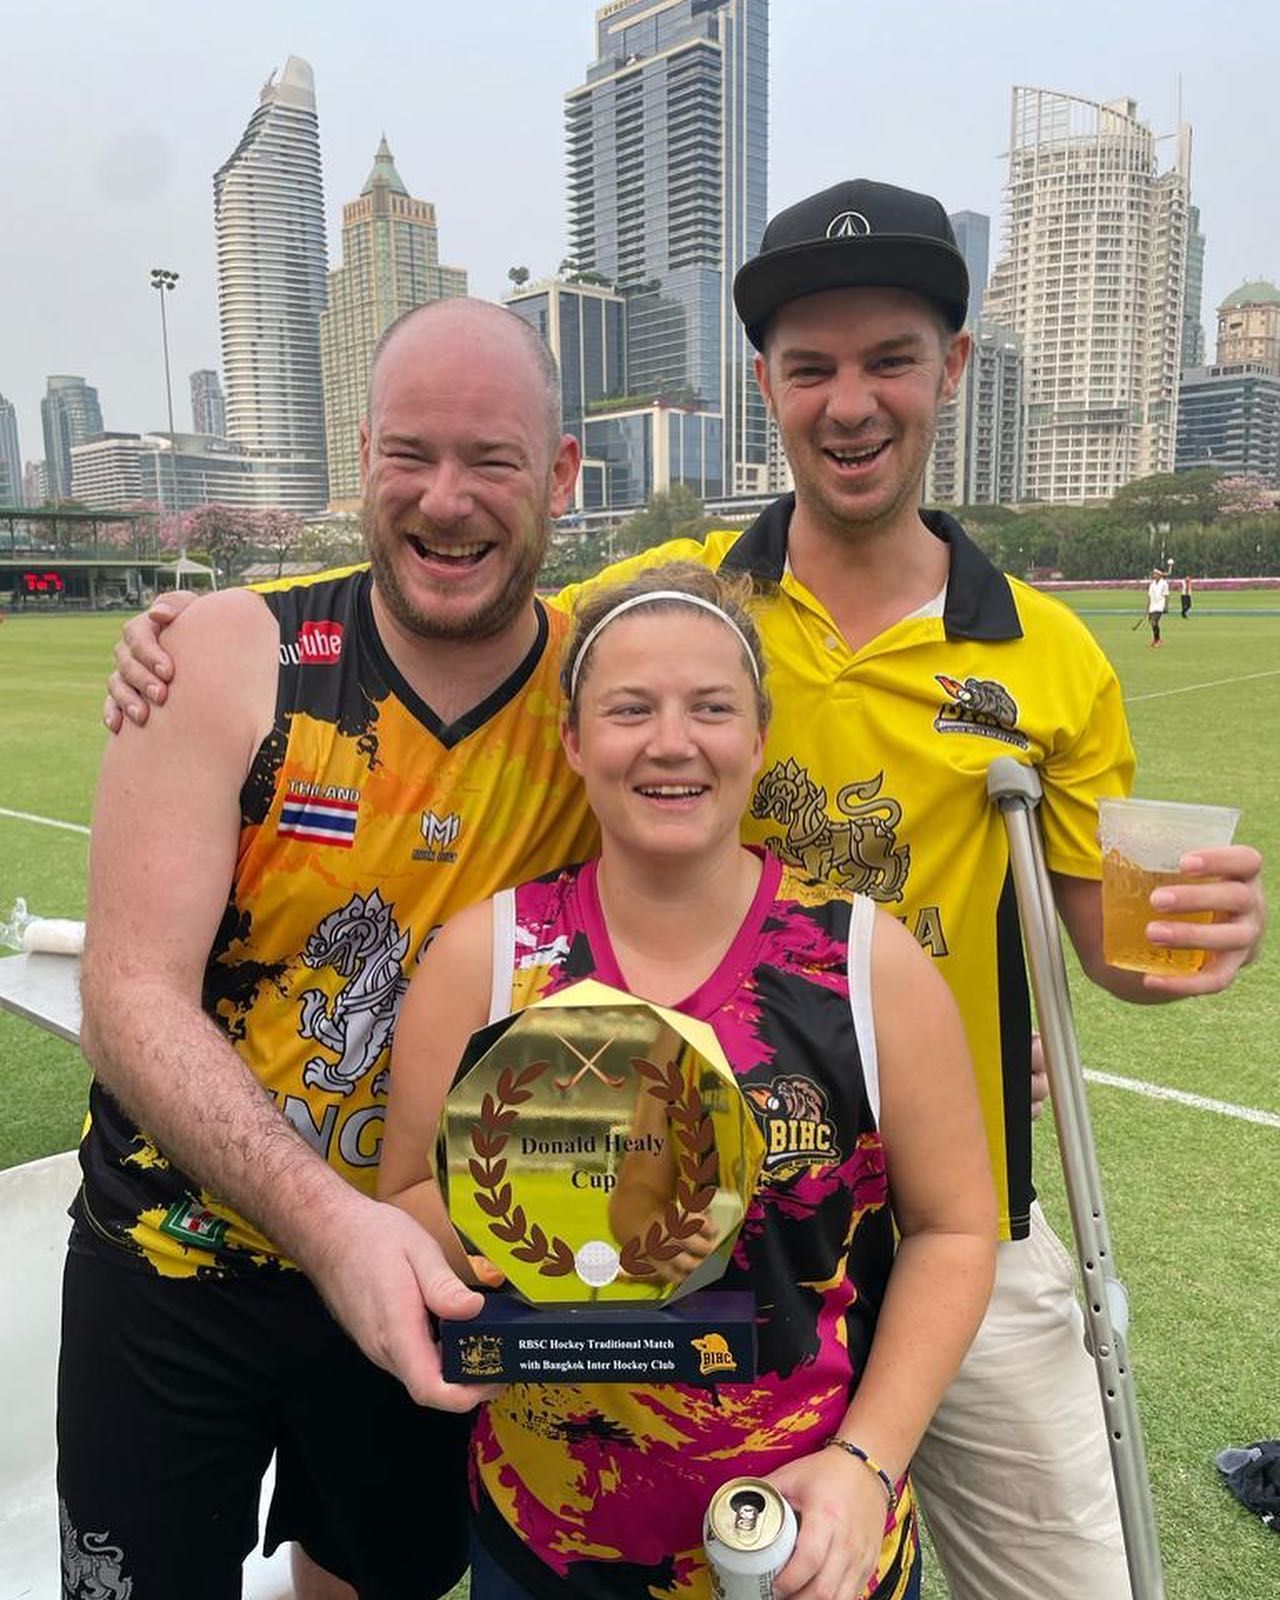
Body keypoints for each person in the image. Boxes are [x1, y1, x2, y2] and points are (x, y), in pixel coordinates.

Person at [103, 181, 1268, 1600]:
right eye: (811, 367)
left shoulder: (1050, 656)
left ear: (953, 369)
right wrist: (199, 628)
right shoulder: (677, 590)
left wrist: (1183, 949)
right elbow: (465, 582)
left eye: (891, 359)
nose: (851, 403)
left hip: (957, 1192)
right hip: (681, 1196)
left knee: (1053, 1569)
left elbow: (1106, 945)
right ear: (767, 386)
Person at [66, 300, 595, 1600]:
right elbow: (128, 996)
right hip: (177, 1259)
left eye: (494, 462)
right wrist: (332, 1229)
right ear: (361, 456)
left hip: (435, 1261)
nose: (447, 499)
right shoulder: (233, 654)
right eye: (409, 453)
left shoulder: (608, 688)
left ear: (565, 478)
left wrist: (976, 1029)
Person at [378, 562, 998, 1600]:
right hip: (544, 1546)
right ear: (575, 741)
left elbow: (954, 1228)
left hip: (807, 1542)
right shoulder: (485, 957)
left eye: (709, 708)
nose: (671, 742)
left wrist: (865, 1463)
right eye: (629, 709)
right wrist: (548, 1189)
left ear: (756, 735)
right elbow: (399, 1203)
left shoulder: (860, 963)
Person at [1148, 566, 1170, 646]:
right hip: (1152, 606)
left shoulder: (1164, 583)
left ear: (1160, 575)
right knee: (1152, 623)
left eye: (1156, 574)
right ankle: (1157, 639)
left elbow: (1167, 595)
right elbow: (1149, 596)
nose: (1154, 575)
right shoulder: (1152, 584)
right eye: (1154, 574)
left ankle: (1157, 640)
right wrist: (1147, 608)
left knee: (1154, 622)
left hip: (1160, 606)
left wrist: (1166, 606)